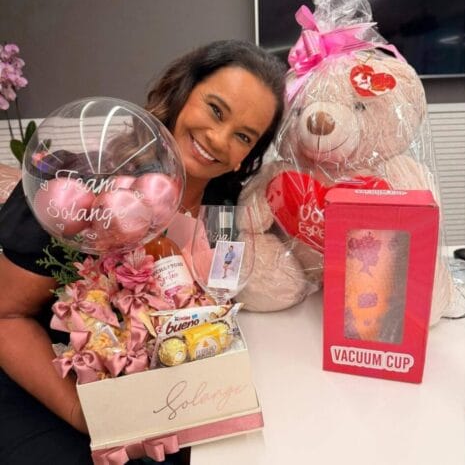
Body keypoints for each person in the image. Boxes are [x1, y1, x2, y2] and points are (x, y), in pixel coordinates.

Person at [0, 40, 285, 464]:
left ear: (249, 156)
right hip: (52, 394)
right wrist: (81, 412)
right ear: (182, 93)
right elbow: (6, 316)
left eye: (243, 136)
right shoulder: (81, 190)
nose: (218, 138)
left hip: (167, 400)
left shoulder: (225, 209)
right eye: (215, 110)